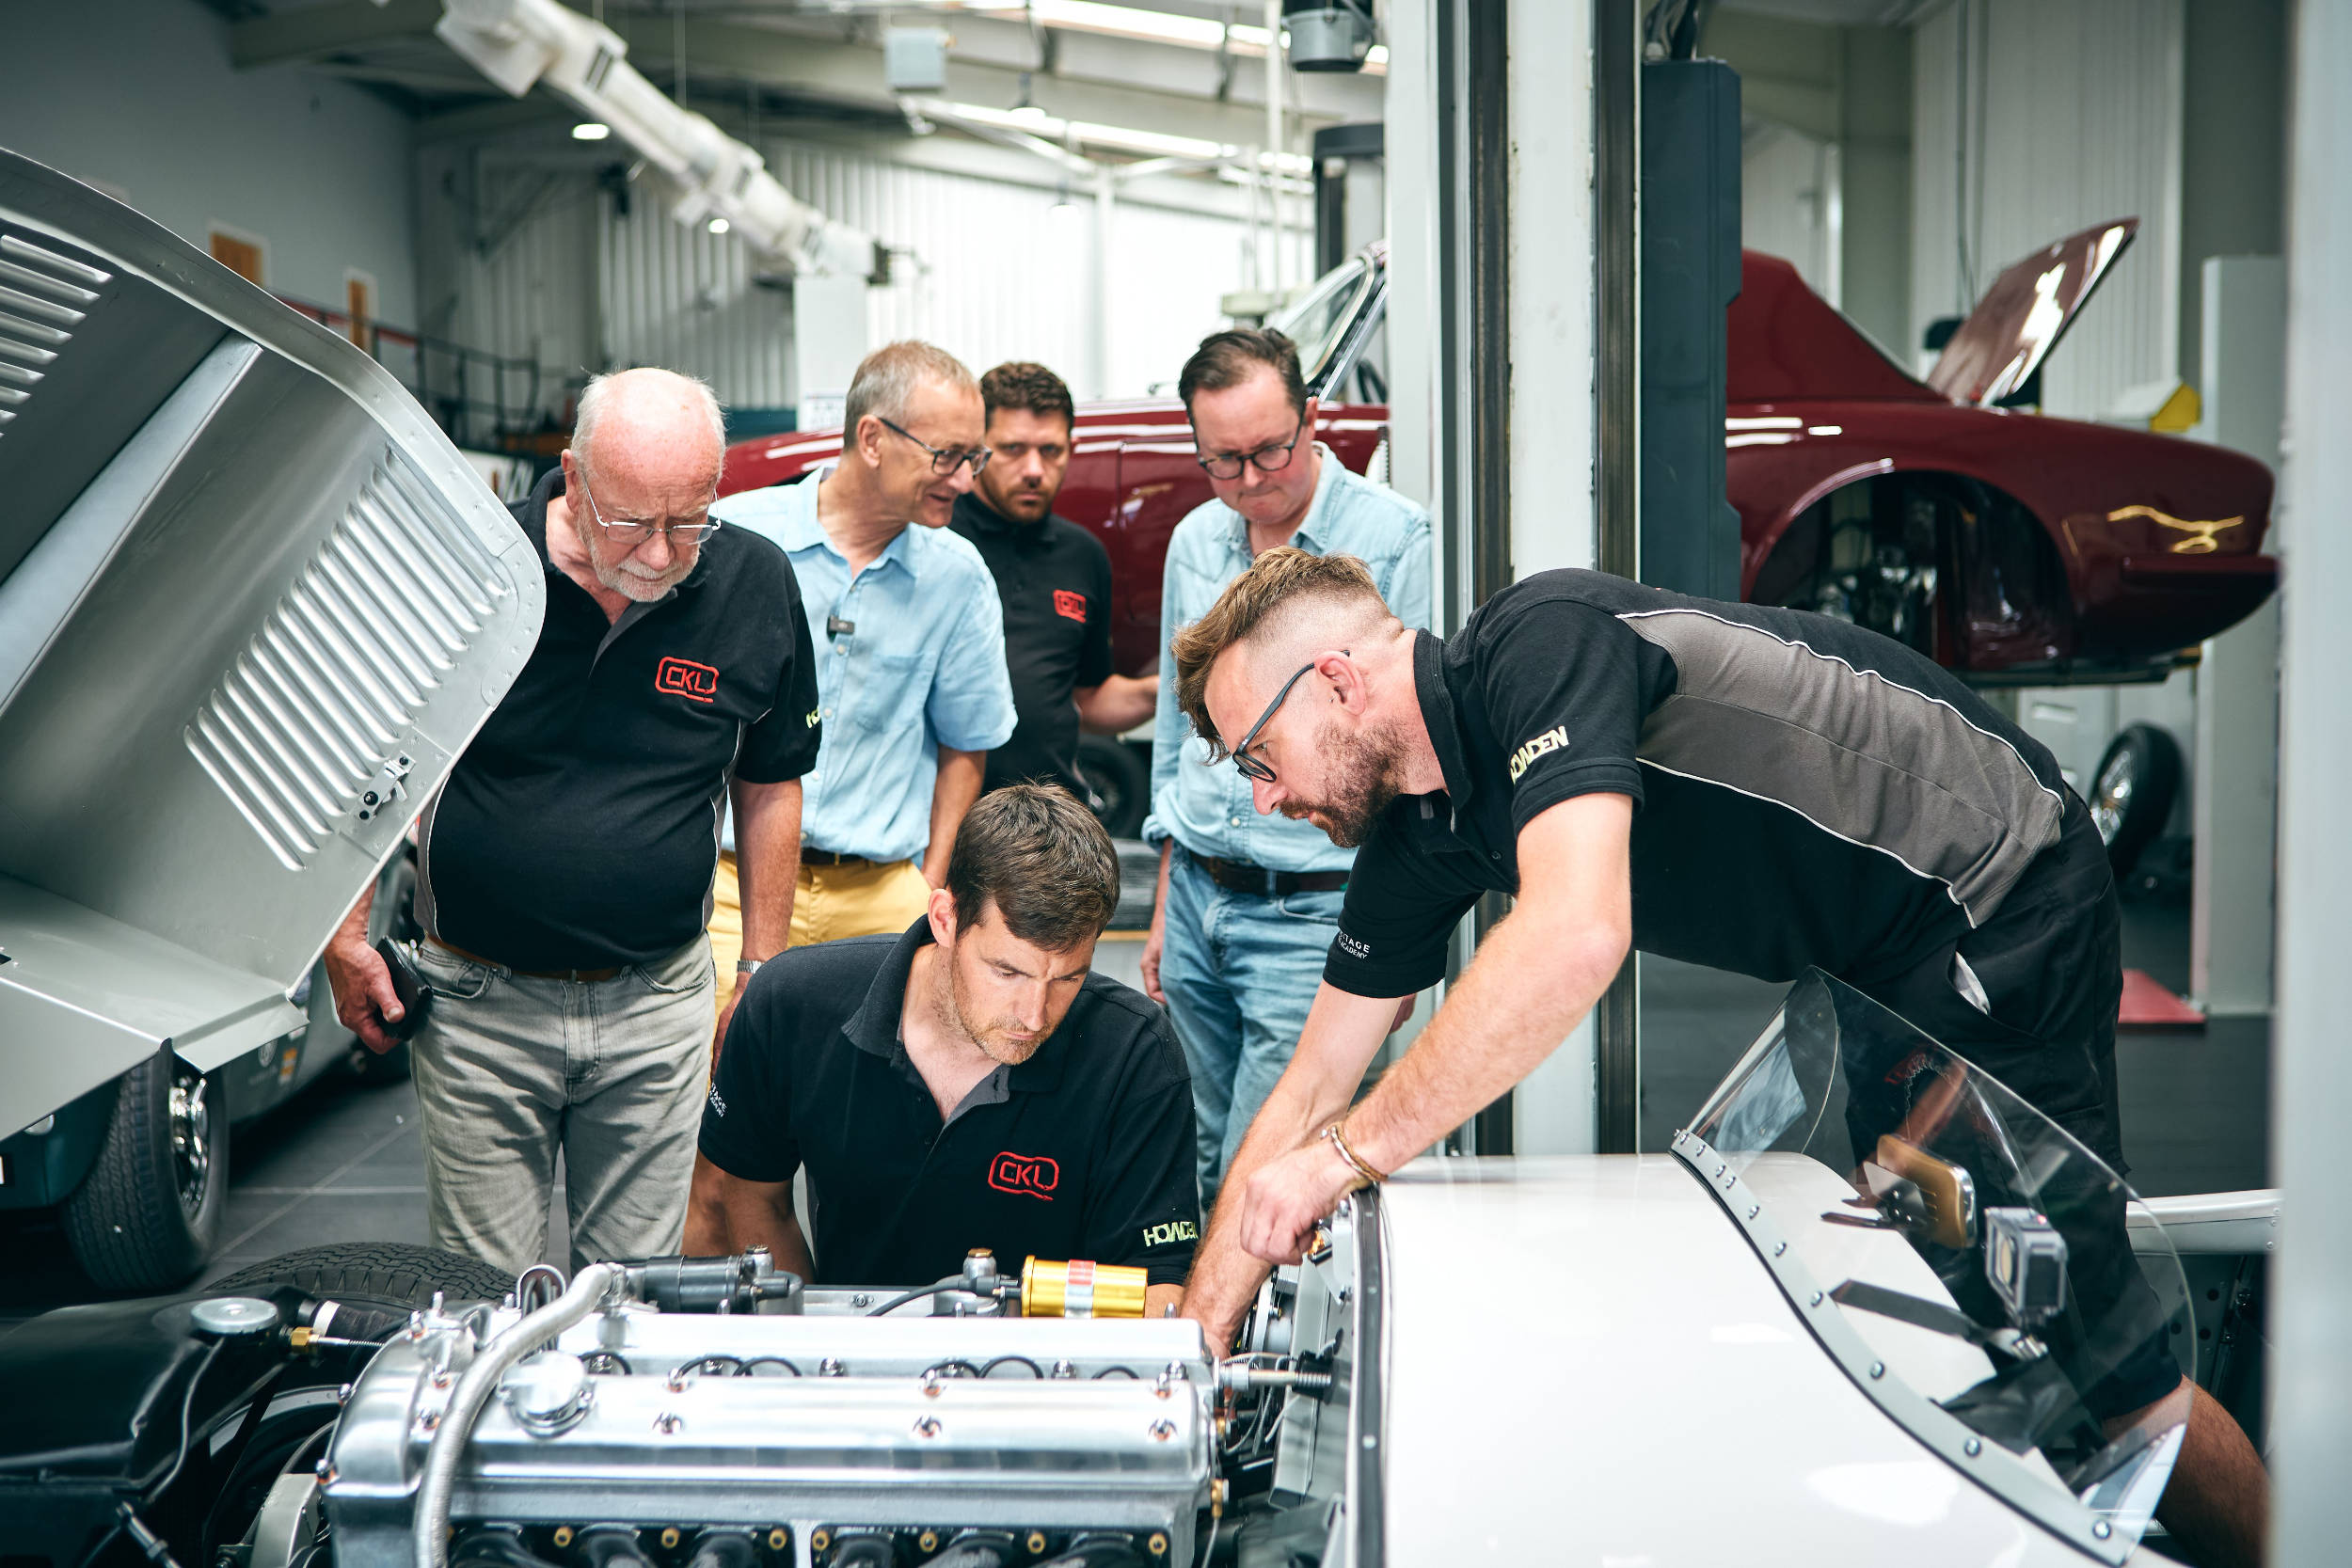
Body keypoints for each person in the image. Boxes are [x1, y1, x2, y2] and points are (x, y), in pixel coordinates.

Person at [1171, 549, 2270, 1568]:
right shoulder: (1421, 832)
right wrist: (1198, 1339)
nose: (1263, 798)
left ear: (1335, 680)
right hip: (1877, 957)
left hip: (1997, 893)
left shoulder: (1541, 642)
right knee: (1934, 1291)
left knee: (2085, 1347)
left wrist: (1346, 1155)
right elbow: (1309, 1085)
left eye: (1258, 757)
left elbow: (1573, 934)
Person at [323, 368, 819, 1274]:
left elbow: (770, 780)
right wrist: (345, 933)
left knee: (630, 1295)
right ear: (575, 477)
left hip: (656, 1006)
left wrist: (761, 965)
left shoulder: (753, 582)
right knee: (482, 1294)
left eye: (689, 520)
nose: (661, 554)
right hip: (477, 1005)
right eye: (632, 521)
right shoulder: (469, 566)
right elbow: (377, 753)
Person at [686, 784, 1200, 1311]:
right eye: (1007, 971)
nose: (1034, 1015)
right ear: (944, 919)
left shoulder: (1136, 1052)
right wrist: (812, 1335)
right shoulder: (793, 1003)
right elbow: (752, 1195)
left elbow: (1158, 1287)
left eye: (1068, 978)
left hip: (1045, 1357)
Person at [1138, 328, 1430, 1208]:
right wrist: (1166, 898)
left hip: (1313, 911)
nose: (1251, 478)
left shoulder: (1395, 539)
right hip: (1197, 896)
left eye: (1271, 448)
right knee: (1184, 1156)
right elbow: (1175, 734)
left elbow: (1413, 762)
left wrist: (1400, 942)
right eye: (1223, 461)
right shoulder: (1195, 541)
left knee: (1263, 1172)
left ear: (1312, 417)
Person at [708, 341, 1017, 952]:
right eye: (947, 455)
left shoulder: (958, 578)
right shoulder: (736, 539)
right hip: (727, 883)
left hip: (881, 892)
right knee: (726, 1019)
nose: (964, 479)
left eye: (973, 457)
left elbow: (965, 745)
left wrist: (931, 882)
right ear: (872, 438)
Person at [951, 361, 1155, 800]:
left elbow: (1087, 699)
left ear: (1071, 448)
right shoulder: (935, 541)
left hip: (1046, 819)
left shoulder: (1082, 555)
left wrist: (1166, 690)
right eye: (1012, 449)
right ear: (977, 448)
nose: (1034, 469)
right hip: (946, 816)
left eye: (1050, 450)